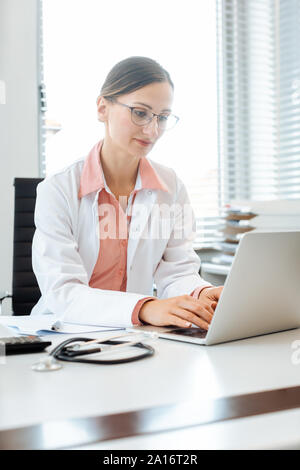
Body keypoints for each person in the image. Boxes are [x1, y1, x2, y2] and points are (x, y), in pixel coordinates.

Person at [31, 56, 223, 329]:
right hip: (63, 334)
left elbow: (177, 272)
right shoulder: (58, 190)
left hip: (134, 337)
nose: (152, 129)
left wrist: (202, 293)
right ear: (102, 108)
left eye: (163, 117)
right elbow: (64, 292)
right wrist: (145, 308)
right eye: (140, 112)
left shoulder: (171, 187)